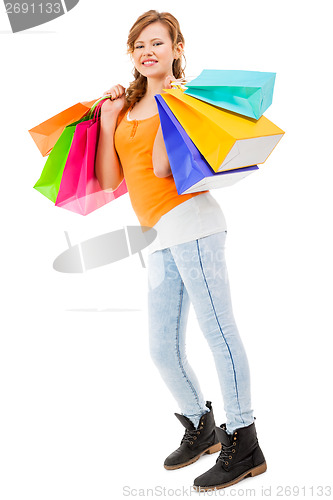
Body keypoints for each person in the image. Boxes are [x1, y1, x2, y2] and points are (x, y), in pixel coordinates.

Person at [95, 9, 267, 492]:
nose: (148, 52)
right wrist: (109, 119)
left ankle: (245, 440)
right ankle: (202, 426)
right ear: (132, 55)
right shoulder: (126, 109)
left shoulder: (184, 100)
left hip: (193, 225)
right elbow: (112, 181)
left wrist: (170, 105)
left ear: (176, 49)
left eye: (158, 43)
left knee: (219, 332)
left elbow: (164, 169)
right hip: (159, 237)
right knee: (161, 348)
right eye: (139, 46)